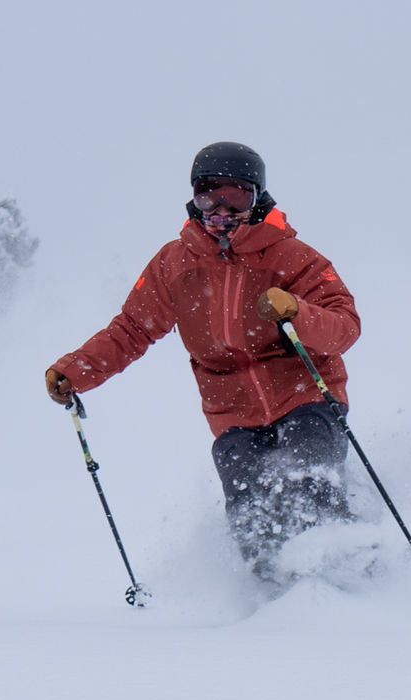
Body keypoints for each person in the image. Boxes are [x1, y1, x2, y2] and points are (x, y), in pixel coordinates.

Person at [43, 141, 364, 584]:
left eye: (235, 196)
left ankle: (349, 579)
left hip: (304, 394)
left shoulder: (291, 256)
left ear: (257, 198)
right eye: (208, 195)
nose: (220, 209)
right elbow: (132, 329)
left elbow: (344, 326)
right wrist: (75, 370)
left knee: (310, 481)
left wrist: (295, 310)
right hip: (231, 411)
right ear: (193, 198)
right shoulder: (176, 264)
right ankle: (276, 600)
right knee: (250, 508)